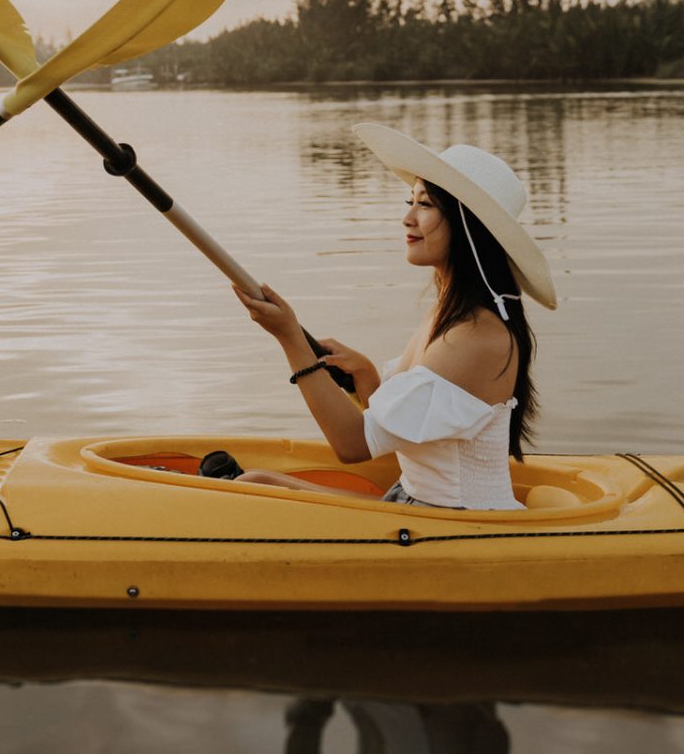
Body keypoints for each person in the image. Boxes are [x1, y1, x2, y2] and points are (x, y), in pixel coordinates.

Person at [230, 122, 556, 510]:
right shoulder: (449, 316)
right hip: (413, 502)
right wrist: (366, 375)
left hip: (458, 522)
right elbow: (409, 429)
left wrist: (289, 338)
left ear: (468, 226)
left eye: (426, 204)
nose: (408, 218)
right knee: (257, 481)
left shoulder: (476, 336)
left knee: (253, 484)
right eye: (410, 202)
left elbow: (352, 445)